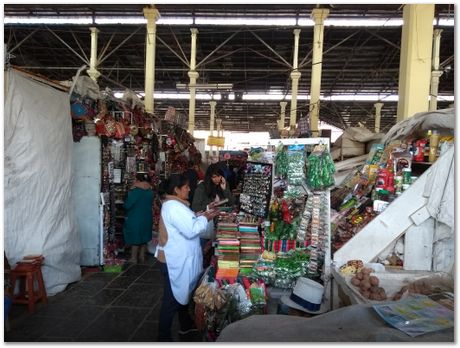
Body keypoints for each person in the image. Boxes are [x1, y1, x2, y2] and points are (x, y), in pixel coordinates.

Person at [156, 173, 219, 342]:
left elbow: (188, 219)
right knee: (171, 300)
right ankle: (163, 337)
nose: (189, 189)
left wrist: (204, 212)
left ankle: (185, 326)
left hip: (179, 259)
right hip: (173, 260)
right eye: (186, 187)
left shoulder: (177, 204)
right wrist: (205, 217)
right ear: (176, 190)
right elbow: (191, 229)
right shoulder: (172, 207)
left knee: (183, 294)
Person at [192, 164, 235, 249]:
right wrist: (208, 206)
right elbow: (195, 207)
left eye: (219, 176)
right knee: (204, 251)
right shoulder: (202, 188)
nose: (217, 179)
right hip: (207, 224)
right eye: (214, 177)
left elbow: (232, 202)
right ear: (209, 177)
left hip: (221, 225)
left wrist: (225, 189)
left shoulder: (223, 185)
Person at [123, 173, 153, 264]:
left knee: (135, 237)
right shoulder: (150, 191)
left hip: (135, 217)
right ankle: (142, 256)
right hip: (147, 217)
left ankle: (133, 258)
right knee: (144, 236)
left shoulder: (135, 191)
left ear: (138, 181)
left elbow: (128, 205)